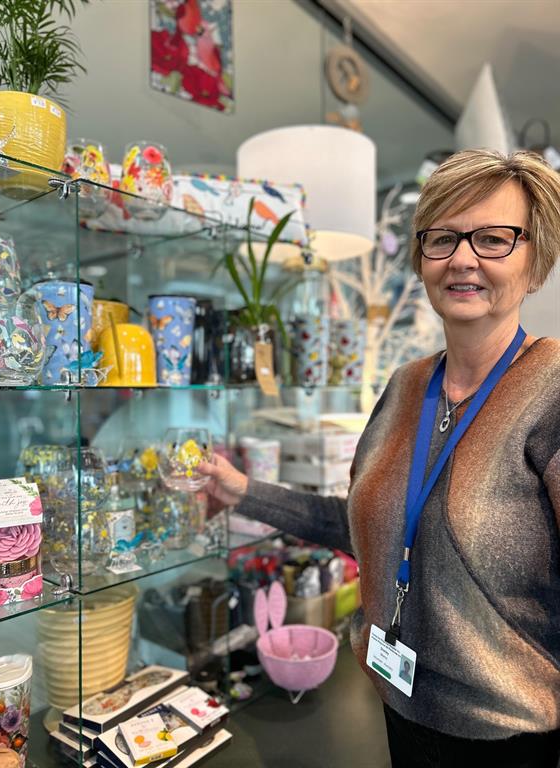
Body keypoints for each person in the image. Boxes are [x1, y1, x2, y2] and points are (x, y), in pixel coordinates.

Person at [199, 149, 560, 768]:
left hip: (507, 739)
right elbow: (371, 531)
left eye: (494, 238)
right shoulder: (404, 388)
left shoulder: (551, 387)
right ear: (422, 260)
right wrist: (243, 493)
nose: (464, 258)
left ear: (535, 263)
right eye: (442, 238)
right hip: (397, 704)